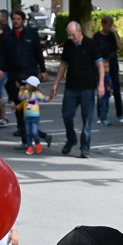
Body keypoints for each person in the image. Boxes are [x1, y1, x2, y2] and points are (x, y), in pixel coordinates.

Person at [50, 21, 105, 159]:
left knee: (87, 118)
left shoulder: (90, 44)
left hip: (87, 87)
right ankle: (71, 138)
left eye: (73, 35)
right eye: (69, 35)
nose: (71, 38)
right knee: (67, 114)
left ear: (80, 32)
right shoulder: (68, 45)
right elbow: (63, 65)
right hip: (71, 87)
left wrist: (101, 84)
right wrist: (56, 83)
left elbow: (100, 64)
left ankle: (85, 147)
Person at [92, 16, 123, 125]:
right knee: (101, 89)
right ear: (103, 24)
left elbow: (121, 47)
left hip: (113, 64)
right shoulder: (97, 36)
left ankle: (119, 114)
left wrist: (115, 34)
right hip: (101, 65)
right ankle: (101, 115)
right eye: (108, 25)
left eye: (111, 25)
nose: (109, 28)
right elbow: (93, 51)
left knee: (116, 89)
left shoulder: (112, 35)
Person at [16, 75, 45, 154]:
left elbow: (44, 99)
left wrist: (50, 97)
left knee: (34, 132)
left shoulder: (37, 94)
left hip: (35, 116)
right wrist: (21, 90)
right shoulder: (26, 93)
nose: (25, 85)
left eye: (27, 84)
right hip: (27, 116)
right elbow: (20, 98)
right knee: (28, 133)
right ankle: (30, 147)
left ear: (31, 86)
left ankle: (38, 143)